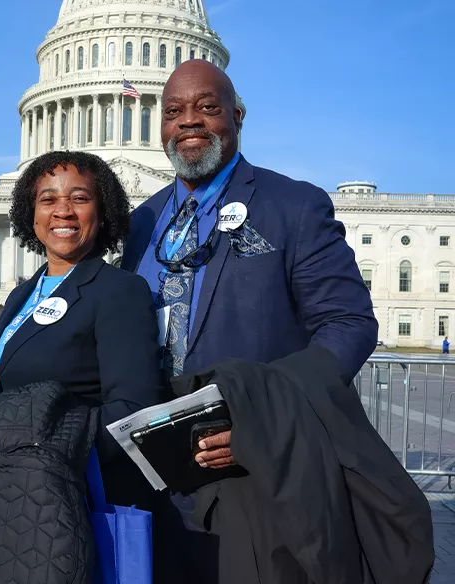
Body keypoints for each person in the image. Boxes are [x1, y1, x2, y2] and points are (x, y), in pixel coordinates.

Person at [121, 60, 381, 582]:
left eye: (207, 108)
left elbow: (348, 323)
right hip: (155, 471)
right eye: (174, 112)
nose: (189, 122)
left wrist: (264, 414)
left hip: (254, 466)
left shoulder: (292, 206)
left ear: (237, 116)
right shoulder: (141, 223)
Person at [0, 151, 164, 583]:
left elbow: (134, 407)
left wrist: (48, 446)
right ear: (31, 214)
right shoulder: (21, 295)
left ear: (103, 212)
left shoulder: (118, 291)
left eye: (79, 198)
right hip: (8, 491)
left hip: (71, 495)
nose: (62, 210)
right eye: (47, 200)